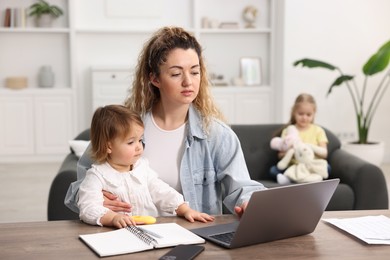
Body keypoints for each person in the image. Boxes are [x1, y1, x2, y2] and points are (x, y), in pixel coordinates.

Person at [65, 26, 266, 217]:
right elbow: (77, 189)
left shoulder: (216, 134)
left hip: (193, 238)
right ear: (155, 79)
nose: (188, 81)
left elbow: (243, 188)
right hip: (132, 236)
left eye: (195, 72)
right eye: (176, 73)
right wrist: (94, 198)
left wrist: (250, 204)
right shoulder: (122, 127)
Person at [78, 105, 214, 228]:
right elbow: (88, 206)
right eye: (131, 142)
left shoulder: (142, 168)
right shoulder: (96, 175)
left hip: (149, 230)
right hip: (116, 234)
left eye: (140, 140)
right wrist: (112, 218)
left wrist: (185, 209)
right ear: (109, 146)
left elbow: (161, 190)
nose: (139, 147)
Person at [269, 93, 329, 184]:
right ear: (294, 112)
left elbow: (324, 154)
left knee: (327, 167)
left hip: (311, 166)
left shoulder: (318, 130)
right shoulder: (288, 131)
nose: (304, 117)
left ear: (314, 114)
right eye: (301, 114)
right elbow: (280, 155)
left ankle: (293, 180)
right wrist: (291, 151)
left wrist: (309, 147)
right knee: (273, 170)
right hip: (294, 166)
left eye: (308, 115)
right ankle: (307, 179)